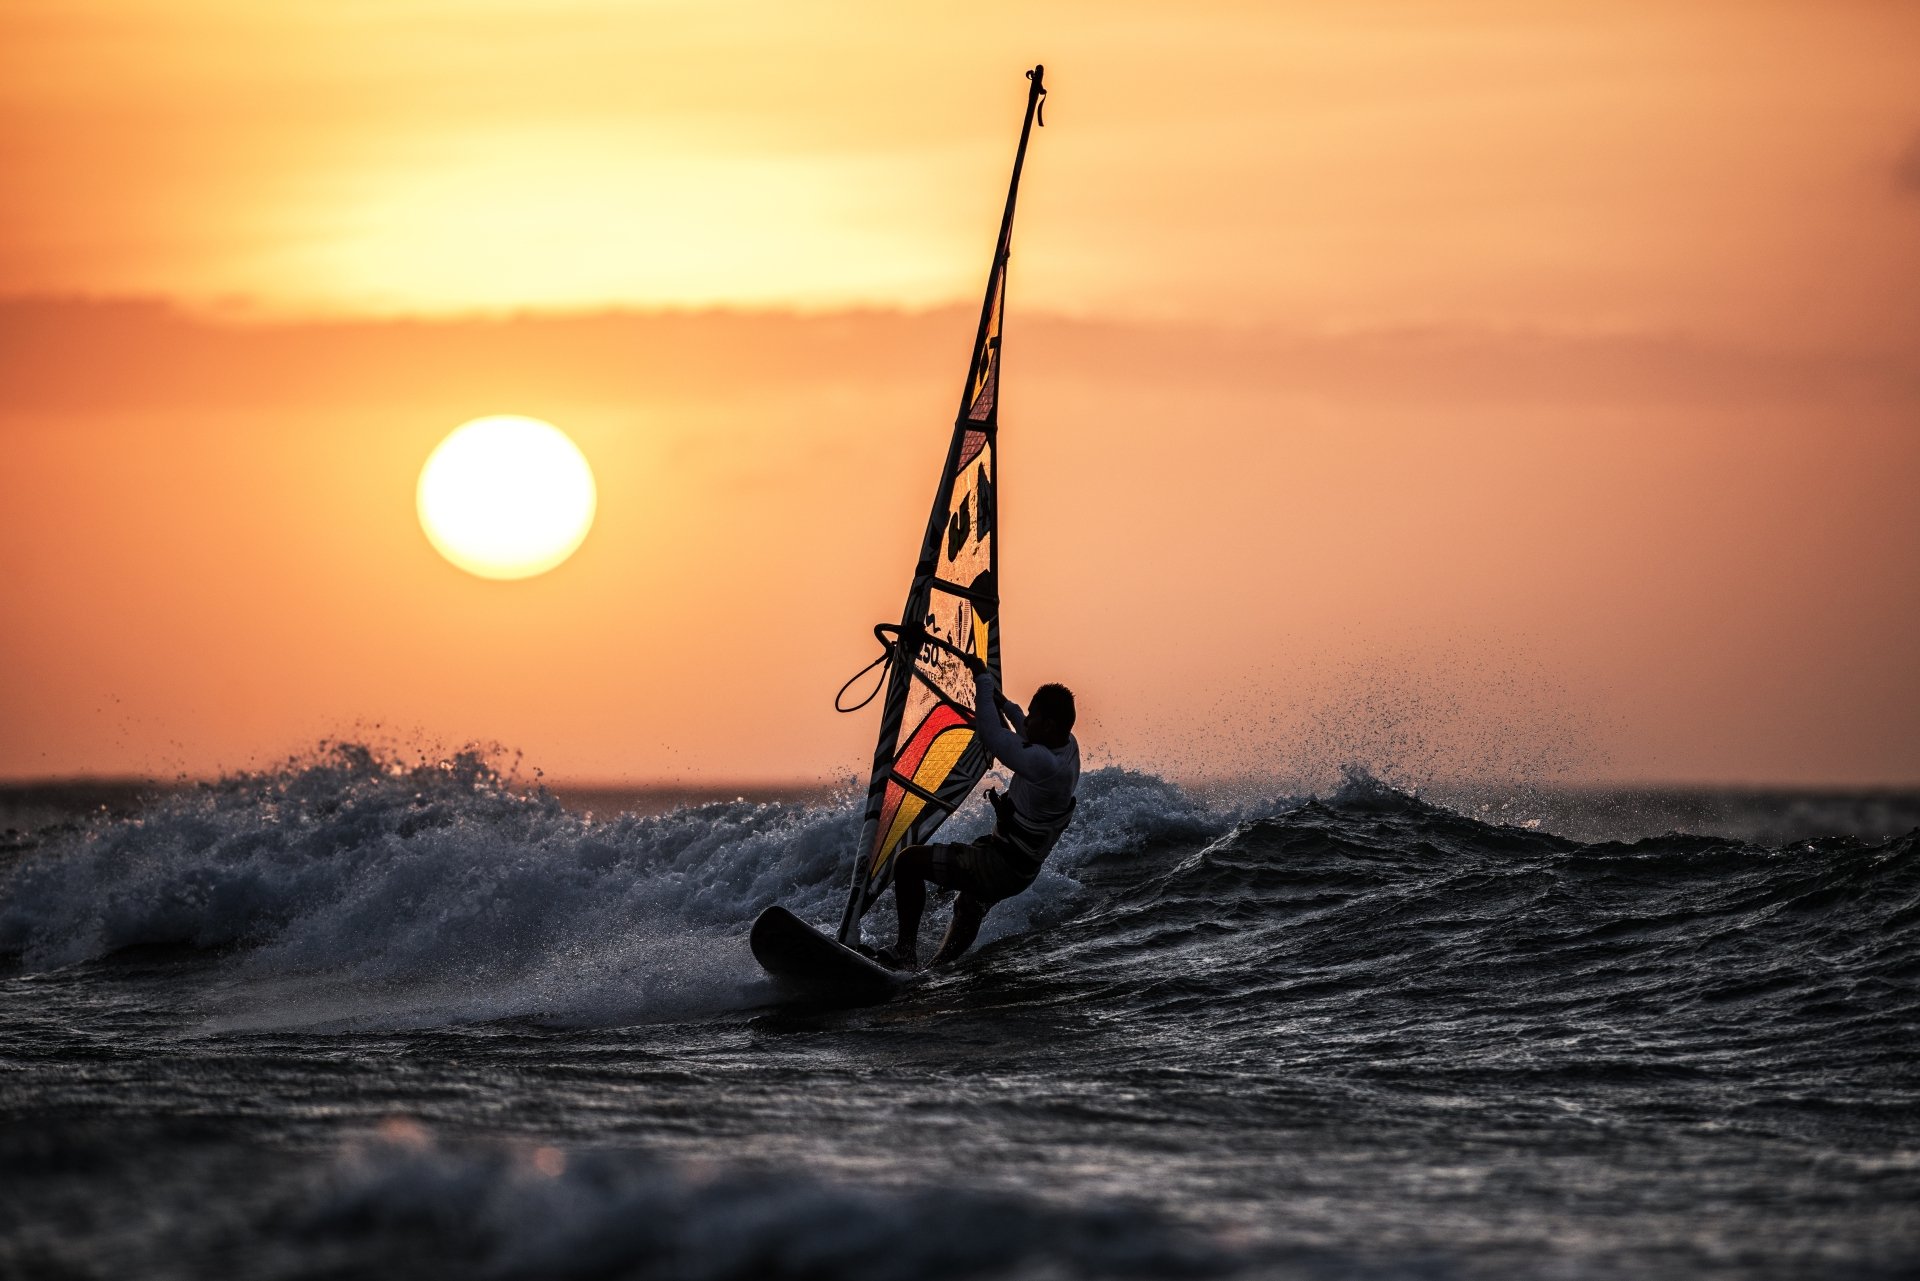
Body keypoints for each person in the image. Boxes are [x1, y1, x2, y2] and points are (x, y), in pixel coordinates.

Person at [880, 662, 1080, 971]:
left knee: (907, 863)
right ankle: (935, 972)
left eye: (1033, 716)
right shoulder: (1067, 746)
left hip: (1000, 866)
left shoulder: (1044, 764)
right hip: (1018, 869)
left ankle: (905, 954)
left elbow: (991, 734)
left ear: (1050, 725)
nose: (1026, 721)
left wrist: (982, 681)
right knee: (969, 905)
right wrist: (1004, 703)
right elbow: (1024, 729)